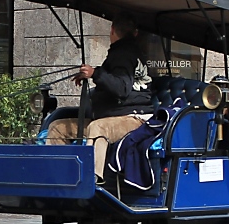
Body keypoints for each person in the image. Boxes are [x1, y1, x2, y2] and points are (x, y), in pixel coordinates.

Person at [45, 17, 154, 181]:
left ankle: (91, 179)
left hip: (133, 118)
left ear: (111, 30)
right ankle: (57, 177)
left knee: (98, 127)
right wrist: (93, 74)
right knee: (58, 127)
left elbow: (121, 88)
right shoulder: (124, 53)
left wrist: (95, 73)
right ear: (135, 33)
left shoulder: (124, 54)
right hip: (113, 117)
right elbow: (115, 78)